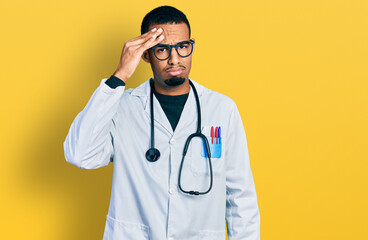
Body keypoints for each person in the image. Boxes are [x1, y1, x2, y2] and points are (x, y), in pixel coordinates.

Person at [64, 5, 260, 240]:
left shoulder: (221, 109)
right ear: (145, 54)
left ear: (191, 46)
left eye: (182, 47)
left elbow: (240, 198)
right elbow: (79, 154)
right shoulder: (121, 107)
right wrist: (120, 75)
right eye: (162, 50)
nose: (174, 59)